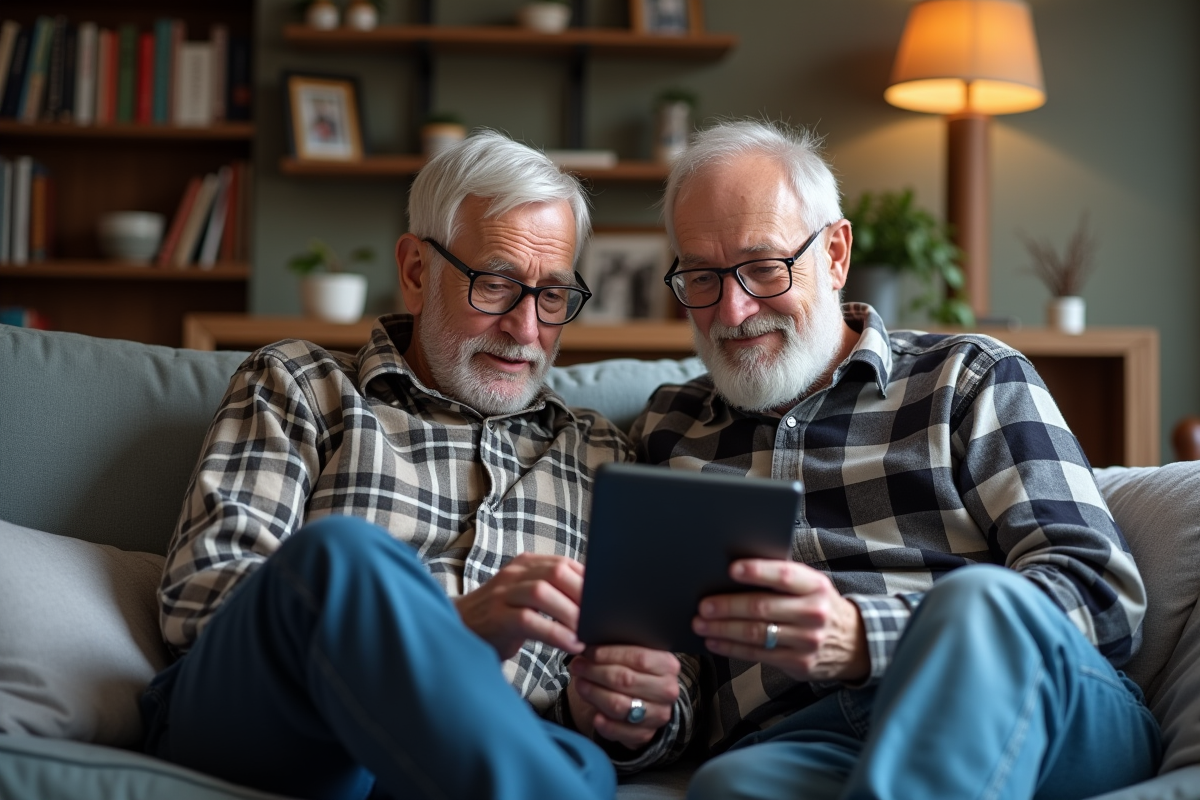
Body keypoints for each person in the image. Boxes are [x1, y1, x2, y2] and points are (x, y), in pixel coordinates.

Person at [141, 130, 693, 800]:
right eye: (496, 283)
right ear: (416, 271)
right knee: (345, 556)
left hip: (495, 746)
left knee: (583, 761)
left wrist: (625, 706)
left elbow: (667, 694)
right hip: (295, 729)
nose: (525, 328)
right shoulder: (300, 385)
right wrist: (448, 631)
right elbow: (198, 602)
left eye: (552, 296)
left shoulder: (602, 452)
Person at [630, 120, 1162, 799]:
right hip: (810, 740)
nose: (732, 310)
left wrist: (865, 637)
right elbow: (677, 667)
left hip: (1034, 706)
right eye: (701, 276)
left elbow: (1101, 592)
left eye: (763, 267)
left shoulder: (968, 377)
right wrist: (641, 706)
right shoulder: (670, 429)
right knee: (731, 784)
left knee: (976, 603)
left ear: (835, 253)